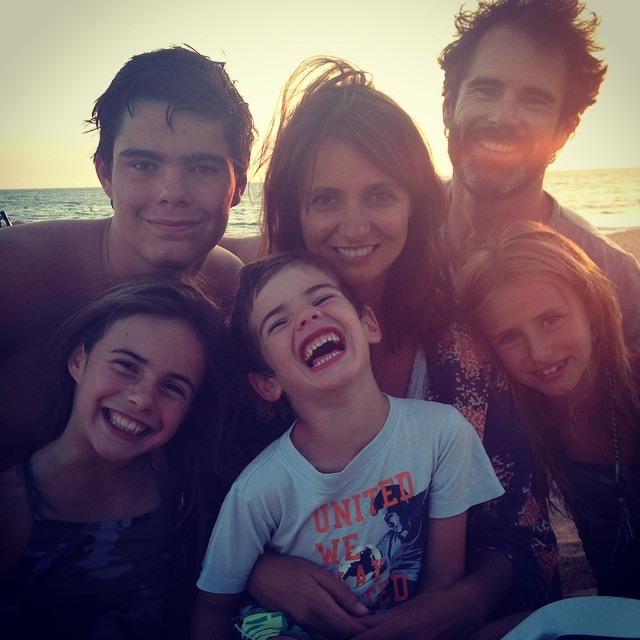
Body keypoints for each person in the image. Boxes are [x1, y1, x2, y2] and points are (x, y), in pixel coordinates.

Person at [226, 57, 560, 640]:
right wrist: (262, 572)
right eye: (326, 199)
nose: (355, 226)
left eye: (379, 195)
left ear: (415, 204)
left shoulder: (464, 349)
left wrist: (465, 602)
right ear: (293, 211)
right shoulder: (257, 354)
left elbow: (523, 530)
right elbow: (207, 514)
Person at [191, 252, 504, 640]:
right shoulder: (258, 491)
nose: (307, 316)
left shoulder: (443, 434)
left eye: (322, 298)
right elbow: (213, 605)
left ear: (368, 324)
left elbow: (444, 578)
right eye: (279, 322)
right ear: (268, 383)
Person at [0, 45, 255, 471]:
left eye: (203, 168)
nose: (171, 192)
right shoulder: (15, 274)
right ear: (105, 173)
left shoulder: (231, 291)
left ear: (240, 184)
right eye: (143, 165)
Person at [0, 273, 229, 638]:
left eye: (173, 387)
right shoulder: (11, 511)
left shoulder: (182, 488)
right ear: (79, 361)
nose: (142, 399)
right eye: (126, 365)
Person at [438, 0, 640, 348]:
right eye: (485, 90)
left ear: (564, 129)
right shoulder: (389, 234)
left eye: (534, 100)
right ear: (448, 107)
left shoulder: (612, 276)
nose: (503, 117)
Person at [457, 221, 640, 599]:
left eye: (550, 320)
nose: (539, 352)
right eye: (510, 337)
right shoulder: (519, 429)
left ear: (591, 310)